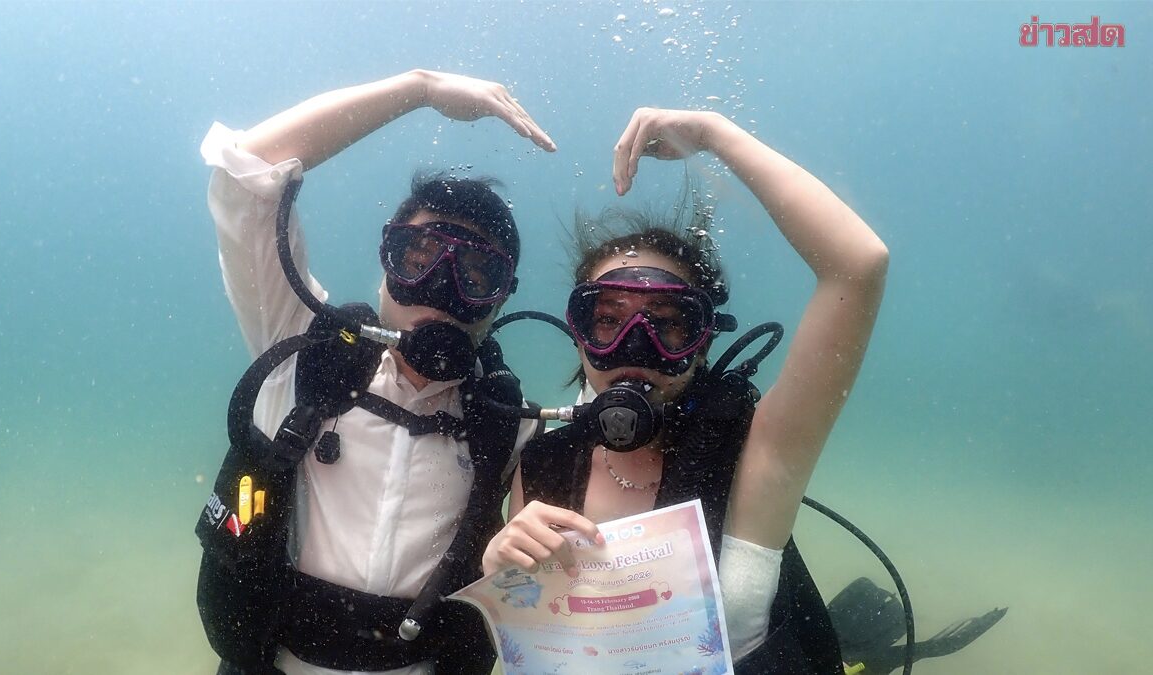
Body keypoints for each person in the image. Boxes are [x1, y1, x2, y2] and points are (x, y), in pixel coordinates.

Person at [482, 107, 889, 673]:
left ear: (700, 343)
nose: (635, 345)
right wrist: (505, 573)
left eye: (669, 322)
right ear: (577, 334)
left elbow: (857, 266)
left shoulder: (754, 454)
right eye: (608, 319)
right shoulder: (546, 464)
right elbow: (550, 642)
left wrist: (714, 135)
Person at [196, 70, 554, 675]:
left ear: (500, 299)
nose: (440, 289)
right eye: (418, 259)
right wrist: (419, 89)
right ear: (386, 261)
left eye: (474, 275)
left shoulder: (511, 430)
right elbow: (243, 173)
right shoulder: (297, 351)